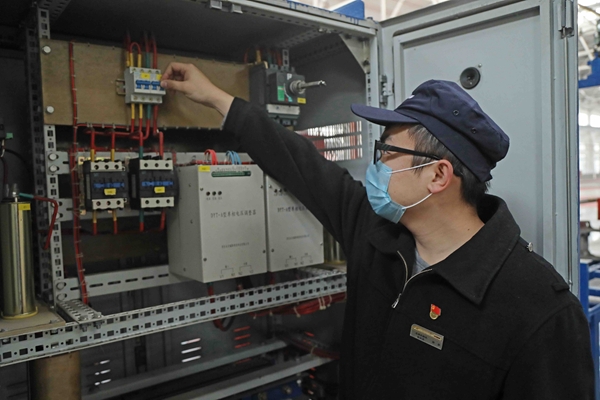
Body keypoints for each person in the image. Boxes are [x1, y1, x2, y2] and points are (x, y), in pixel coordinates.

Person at [160, 63, 595, 399]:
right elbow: (302, 166)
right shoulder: (378, 235)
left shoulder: (540, 312)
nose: (375, 166)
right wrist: (215, 97)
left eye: (386, 152)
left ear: (438, 176)